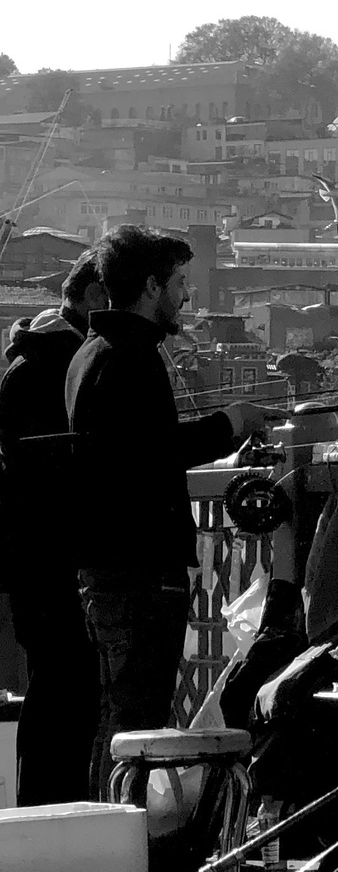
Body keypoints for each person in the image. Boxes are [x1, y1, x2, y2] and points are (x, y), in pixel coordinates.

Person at [64, 227, 267, 794]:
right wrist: (234, 422)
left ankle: (108, 845)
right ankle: (123, 850)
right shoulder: (130, 357)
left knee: (116, 722)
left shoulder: (90, 353)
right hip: (137, 574)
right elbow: (158, 452)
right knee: (135, 726)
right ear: (151, 286)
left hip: (108, 570)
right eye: (178, 283)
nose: (184, 297)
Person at [0, 255, 110, 804]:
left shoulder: (38, 361)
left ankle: (53, 812)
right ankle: (51, 816)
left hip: (43, 558)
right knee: (62, 693)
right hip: (50, 560)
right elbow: (48, 472)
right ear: (93, 296)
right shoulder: (48, 369)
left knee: (60, 692)